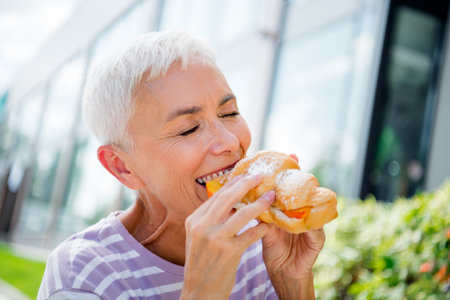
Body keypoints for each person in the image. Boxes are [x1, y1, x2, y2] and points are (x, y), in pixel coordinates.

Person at [38, 31, 325, 299]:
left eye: (229, 112)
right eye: (188, 129)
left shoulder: (260, 242)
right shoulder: (83, 276)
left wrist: (293, 283)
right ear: (121, 166)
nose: (228, 141)